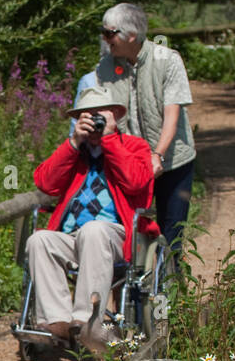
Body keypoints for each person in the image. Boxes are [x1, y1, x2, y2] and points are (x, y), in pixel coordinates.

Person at [27, 85, 155, 345]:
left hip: (116, 237)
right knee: (38, 240)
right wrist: (73, 143)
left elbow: (136, 183)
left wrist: (108, 139)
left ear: (115, 116)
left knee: (94, 229)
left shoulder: (134, 146)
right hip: (73, 237)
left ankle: (87, 320)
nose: (94, 119)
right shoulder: (75, 151)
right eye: (87, 114)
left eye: (100, 113)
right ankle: (59, 323)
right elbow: (45, 183)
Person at [94, 2, 196, 263]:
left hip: (173, 162)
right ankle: (134, 298)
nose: (105, 39)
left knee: (170, 235)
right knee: (128, 231)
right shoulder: (105, 67)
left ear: (131, 35)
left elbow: (171, 115)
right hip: (130, 165)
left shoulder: (168, 60)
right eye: (103, 32)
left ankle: (170, 296)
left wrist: (158, 155)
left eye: (109, 33)